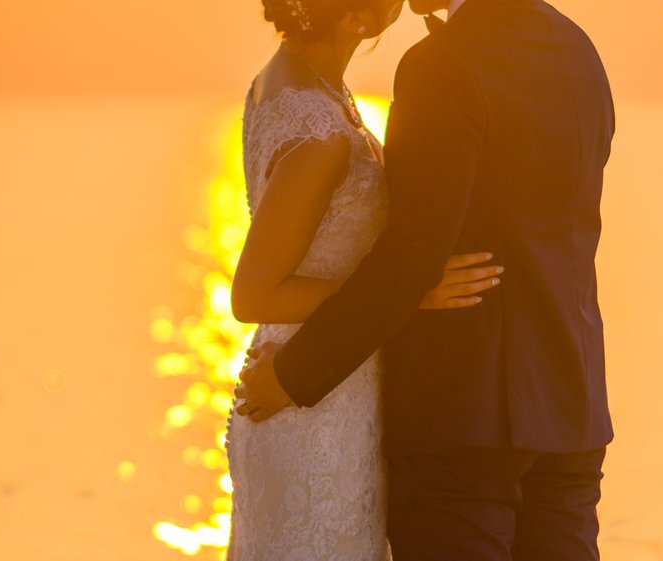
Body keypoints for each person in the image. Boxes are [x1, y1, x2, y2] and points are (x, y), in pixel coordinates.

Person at [236, 0, 616, 560]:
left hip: (463, 417)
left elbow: (414, 250)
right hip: (570, 405)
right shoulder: (578, 48)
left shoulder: (440, 63)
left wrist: (294, 372)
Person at [225, 1, 505, 559]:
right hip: (314, 414)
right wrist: (410, 294)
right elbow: (253, 293)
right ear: (353, 19)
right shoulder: (320, 137)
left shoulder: (284, 83)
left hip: (317, 381)